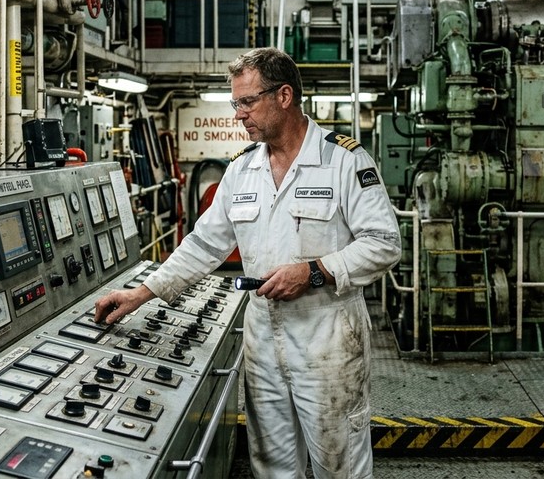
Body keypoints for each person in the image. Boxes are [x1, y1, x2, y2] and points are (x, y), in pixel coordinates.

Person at [94, 47, 401, 479]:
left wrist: (313, 271)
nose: (238, 114)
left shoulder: (343, 161)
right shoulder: (241, 170)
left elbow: (384, 243)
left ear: (284, 97)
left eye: (246, 102)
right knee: (273, 467)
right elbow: (204, 243)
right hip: (263, 343)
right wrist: (142, 293)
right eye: (235, 103)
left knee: (340, 467)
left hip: (327, 343)